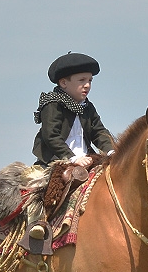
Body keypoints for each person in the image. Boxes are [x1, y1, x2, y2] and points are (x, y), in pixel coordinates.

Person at [26, 52, 115, 241]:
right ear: (64, 83)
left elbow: (99, 132)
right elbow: (51, 136)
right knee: (40, 187)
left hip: (87, 160)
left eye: (90, 80)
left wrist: (113, 151)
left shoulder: (87, 107)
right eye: (82, 80)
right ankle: (37, 222)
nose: (88, 85)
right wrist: (72, 158)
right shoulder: (53, 104)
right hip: (54, 161)